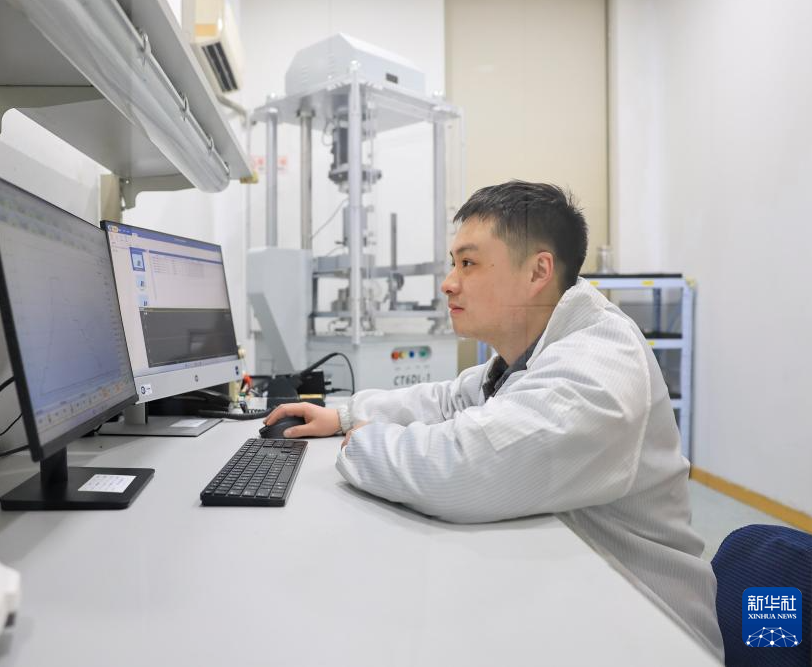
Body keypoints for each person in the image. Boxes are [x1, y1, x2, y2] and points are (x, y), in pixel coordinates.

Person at [263, 180, 724, 658]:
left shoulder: (600, 367)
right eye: (453, 263)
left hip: (651, 629)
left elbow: (465, 468)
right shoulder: (537, 349)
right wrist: (344, 414)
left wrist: (362, 440)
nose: (448, 282)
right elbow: (450, 401)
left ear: (538, 271)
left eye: (468, 263)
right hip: (580, 592)